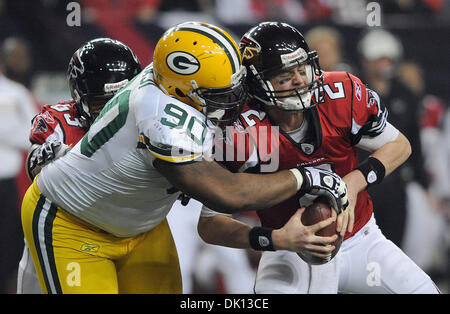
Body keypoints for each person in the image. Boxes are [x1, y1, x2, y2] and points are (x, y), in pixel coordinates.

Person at [20, 21, 348, 294]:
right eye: (219, 96)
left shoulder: (169, 80)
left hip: (141, 225)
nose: (233, 103)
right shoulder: (161, 117)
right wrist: (306, 177)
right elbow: (227, 193)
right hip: (74, 224)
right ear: (182, 91)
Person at [197, 21, 440, 294]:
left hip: (361, 239)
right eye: (285, 77)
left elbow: (399, 145)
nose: (300, 80)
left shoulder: (339, 96)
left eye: (302, 69)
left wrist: (354, 181)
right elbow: (209, 225)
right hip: (290, 251)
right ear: (257, 86)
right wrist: (274, 238)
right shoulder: (249, 132)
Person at [16, 37, 142, 294]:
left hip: (131, 231)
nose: (112, 112)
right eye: (102, 103)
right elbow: (33, 165)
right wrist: (64, 154)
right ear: (79, 96)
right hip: (70, 233)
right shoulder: (59, 118)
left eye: (120, 101)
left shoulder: (149, 116)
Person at [358, 29, 431, 249]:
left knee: (392, 247)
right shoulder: (355, 92)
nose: (384, 64)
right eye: (378, 59)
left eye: (387, 59)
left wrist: (424, 184)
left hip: (395, 184)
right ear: (366, 60)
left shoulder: (406, 95)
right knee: (360, 245)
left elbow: (414, 144)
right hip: (361, 181)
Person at [0, 40, 38, 294]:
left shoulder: (15, 93)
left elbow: (33, 132)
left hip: (6, 183)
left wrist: (4, 131)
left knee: (8, 242)